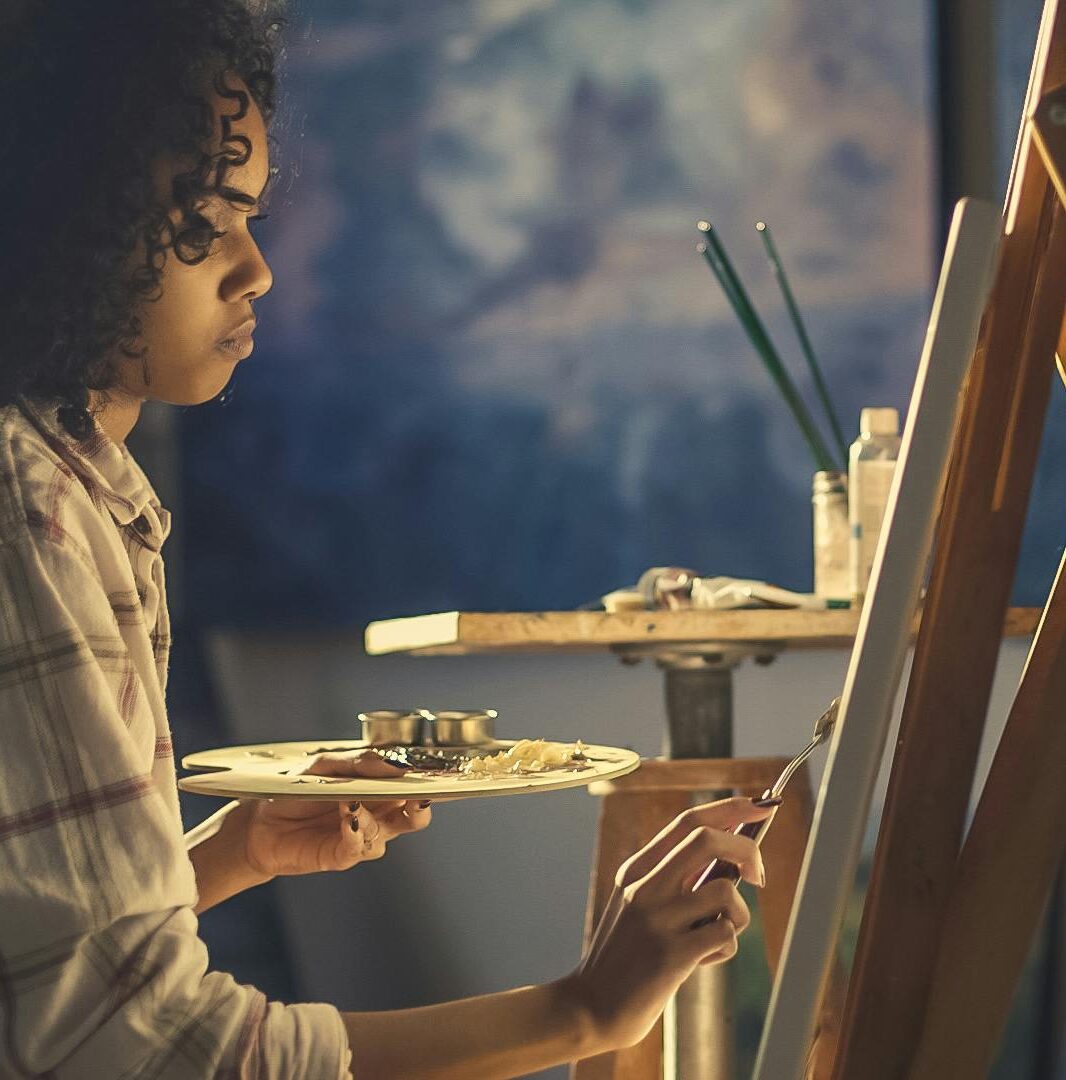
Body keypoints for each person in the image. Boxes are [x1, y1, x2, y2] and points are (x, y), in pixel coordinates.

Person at [0, 2, 775, 1076]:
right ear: (67, 227)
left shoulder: (81, 490)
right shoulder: (28, 510)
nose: (254, 270)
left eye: (253, 218)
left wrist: (229, 854)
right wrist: (584, 1015)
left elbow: (39, 974)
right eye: (204, 222)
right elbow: (148, 1049)